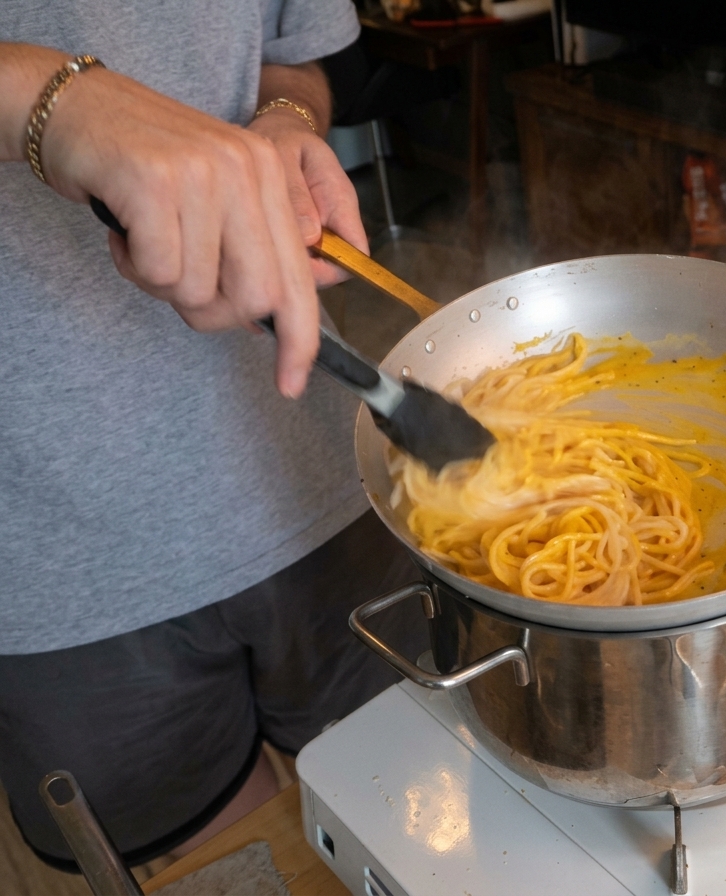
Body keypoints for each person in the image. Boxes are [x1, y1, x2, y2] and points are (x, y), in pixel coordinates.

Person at [0, 0, 425, 871]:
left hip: (313, 472)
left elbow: (300, 53)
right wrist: (45, 96)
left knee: (411, 810)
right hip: (56, 554)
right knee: (234, 868)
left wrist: (286, 120)